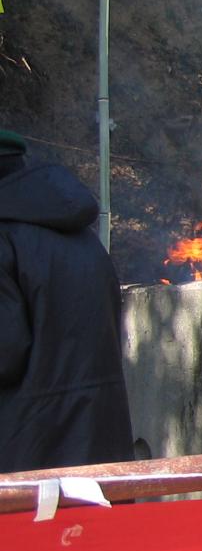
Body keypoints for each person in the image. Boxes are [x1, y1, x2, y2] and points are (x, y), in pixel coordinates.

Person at [0, 130, 133, 472]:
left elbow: (5, 353)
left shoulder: (6, 240)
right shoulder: (80, 236)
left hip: (25, 464)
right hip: (101, 451)